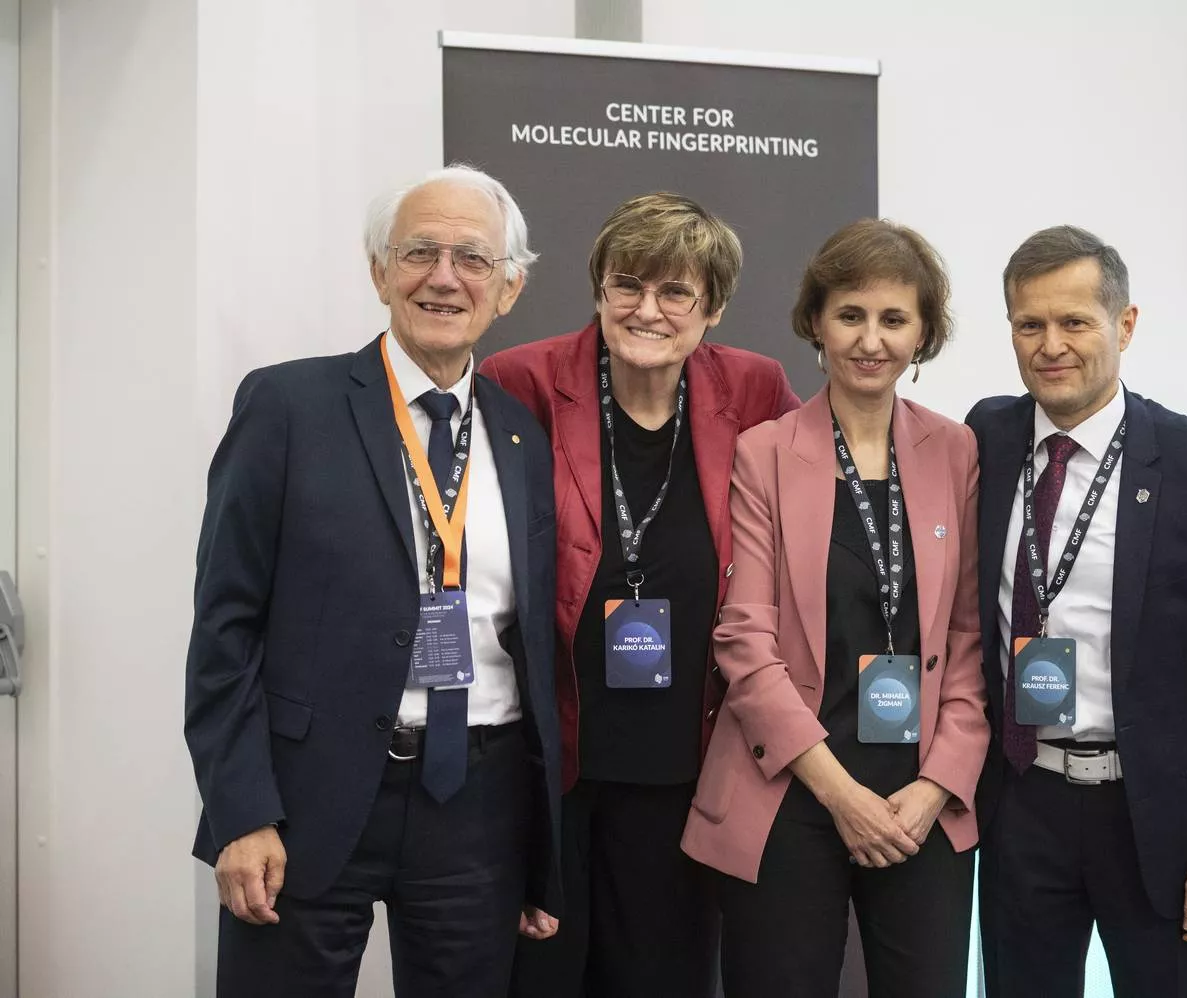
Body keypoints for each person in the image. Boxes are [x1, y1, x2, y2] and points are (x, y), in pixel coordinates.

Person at [184, 164, 563, 997]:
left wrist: (542, 851)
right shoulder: (288, 406)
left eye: (472, 258)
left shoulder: (521, 436)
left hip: (477, 805)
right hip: (306, 801)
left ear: (509, 288)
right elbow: (224, 627)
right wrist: (242, 810)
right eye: (419, 251)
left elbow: (530, 642)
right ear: (379, 271)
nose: (444, 277)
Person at [479, 192, 800, 997]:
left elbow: (817, 513)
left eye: (675, 292)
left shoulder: (754, 390)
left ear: (713, 309)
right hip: (550, 766)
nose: (646, 310)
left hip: (687, 767)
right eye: (627, 284)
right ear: (599, 288)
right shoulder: (522, 382)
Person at [968, 224, 1187, 996]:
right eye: (1029, 324)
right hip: (1022, 804)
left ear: (1126, 324)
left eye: (1075, 322)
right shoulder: (984, 438)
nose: (1051, 346)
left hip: (1161, 822)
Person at [683, 219, 989, 998]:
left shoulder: (957, 451)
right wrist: (840, 793)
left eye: (894, 319)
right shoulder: (765, 451)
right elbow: (744, 640)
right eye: (850, 314)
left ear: (923, 333)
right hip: (790, 785)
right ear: (816, 321)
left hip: (921, 796)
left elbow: (968, 635)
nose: (871, 340)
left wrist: (937, 785)